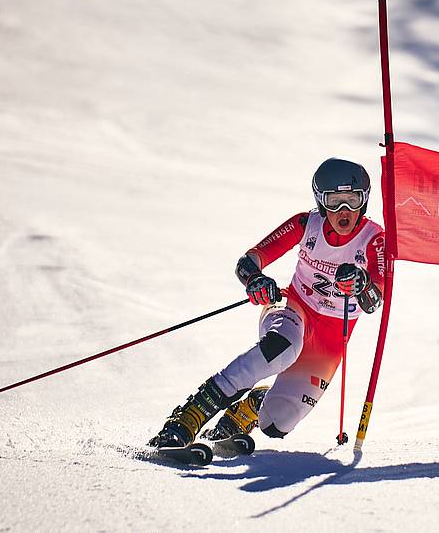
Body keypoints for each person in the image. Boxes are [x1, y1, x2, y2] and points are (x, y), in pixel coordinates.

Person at [149, 157, 386, 449]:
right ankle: (188, 418)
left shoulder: (374, 239)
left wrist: (362, 284)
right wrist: (255, 280)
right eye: (334, 201)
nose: (344, 211)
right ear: (320, 201)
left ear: (365, 200)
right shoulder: (306, 224)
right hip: (293, 306)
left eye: (352, 200)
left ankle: (246, 411)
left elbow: (374, 301)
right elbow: (248, 262)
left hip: (331, 336)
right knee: (283, 348)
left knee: (277, 422)